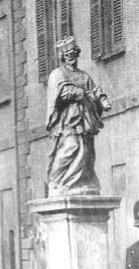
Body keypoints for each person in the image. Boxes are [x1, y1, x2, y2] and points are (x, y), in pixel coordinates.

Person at [46, 36, 111, 197]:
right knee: (71, 147)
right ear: (63, 57)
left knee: (87, 151)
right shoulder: (57, 74)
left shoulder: (83, 75)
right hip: (68, 119)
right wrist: (79, 92)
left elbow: (95, 90)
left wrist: (102, 100)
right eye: (68, 55)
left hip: (86, 119)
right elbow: (61, 92)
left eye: (74, 54)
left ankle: (81, 182)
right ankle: (57, 181)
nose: (72, 58)